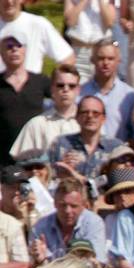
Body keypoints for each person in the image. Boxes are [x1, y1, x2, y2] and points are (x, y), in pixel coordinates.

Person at [0, 25, 50, 167]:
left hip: (35, 160)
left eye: (18, 45)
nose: (14, 49)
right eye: (9, 46)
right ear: (1, 52)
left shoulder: (41, 81)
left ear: (25, 50)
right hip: (3, 160)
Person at [28, 178, 107, 266]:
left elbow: (97, 262)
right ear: (55, 204)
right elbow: (32, 265)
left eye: (73, 206)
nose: (67, 211)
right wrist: (40, 261)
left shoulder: (94, 223)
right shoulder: (40, 227)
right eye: (63, 205)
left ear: (84, 205)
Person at [9, 65, 80, 160]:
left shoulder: (88, 122)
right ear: (52, 89)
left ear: (78, 90)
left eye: (71, 86)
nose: (65, 90)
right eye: (60, 85)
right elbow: (20, 161)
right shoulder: (36, 124)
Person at [49, 95, 124, 185]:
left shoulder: (116, 148)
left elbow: (124, 183)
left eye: (95, 113)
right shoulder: (61, 144)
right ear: (77, 117)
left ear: (103, 119)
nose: (90, 116)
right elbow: (47, 178)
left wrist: (74, 174)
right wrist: (61, 169)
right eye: (85, 112)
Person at [80, 39, 134, 144]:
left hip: (118, 156)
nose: (105, 63)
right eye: (101, 58)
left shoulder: (130, 96)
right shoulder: (80, 93)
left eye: (111, 59)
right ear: (92, 60)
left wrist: (122, 154)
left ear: (119, 60)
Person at [0, 0, 74, 74]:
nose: (9, 1)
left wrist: (54, 82)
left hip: (31, 84)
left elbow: (67, 58)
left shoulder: (38, 24)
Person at [63, 0, 114, 81]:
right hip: (79, 53)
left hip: (101, 53)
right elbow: (70, 21)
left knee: (101, 89)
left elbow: (110, 22)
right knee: (78, 88)